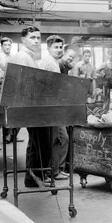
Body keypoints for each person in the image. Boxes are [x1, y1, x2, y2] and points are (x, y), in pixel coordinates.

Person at [6, 26, 52, 188]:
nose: (36, 41)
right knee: (38, 142)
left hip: (32, 105)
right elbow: (25, 85)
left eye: (38, 38)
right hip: (28, 106)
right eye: (32, 37)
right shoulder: (22, 57)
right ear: (23, 40)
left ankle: (35, 176)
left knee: (38, 142)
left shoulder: (30, 57)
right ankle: (33, 177)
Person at [40, 35, 69, 181]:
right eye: (55, 47)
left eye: (60, 47)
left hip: (52, 106)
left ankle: (56, 169)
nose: (58, 50)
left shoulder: (53, 62)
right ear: (48, 48)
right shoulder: (50, 63)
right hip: (51, 107)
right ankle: (54, 171)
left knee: (59, 139)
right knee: (60, 138)